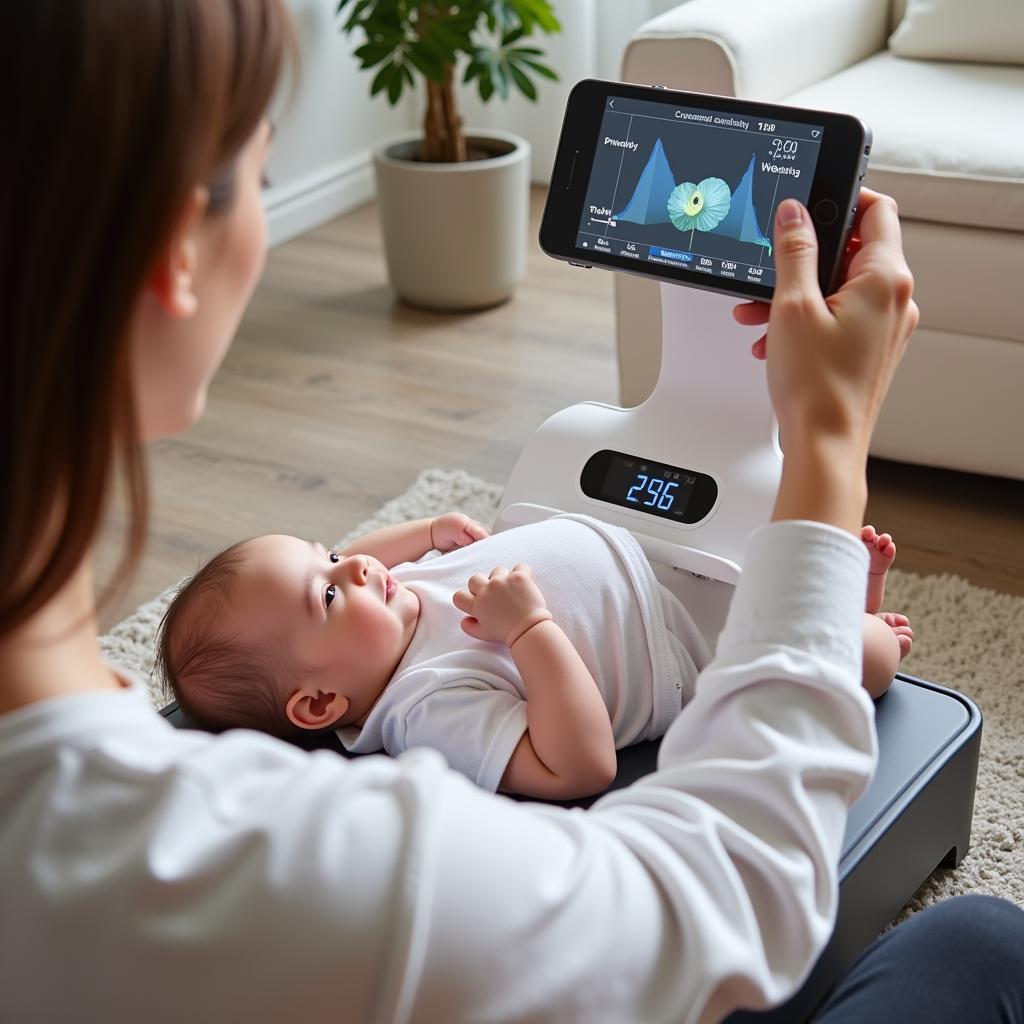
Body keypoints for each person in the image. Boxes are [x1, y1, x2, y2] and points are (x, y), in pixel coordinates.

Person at [1, 2, 1022, 1021]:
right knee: (983, 941)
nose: (350, 574)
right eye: (261, 176)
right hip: (666, 646)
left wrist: (416, 548)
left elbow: (354, 559)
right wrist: (828, 450)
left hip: (617, 569)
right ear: (176, 252)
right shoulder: (339, 836)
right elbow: (733, 901)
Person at [158, 513, 912, 799]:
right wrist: (529, 631)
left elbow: (354, 554)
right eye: (325, 593)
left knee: (767, 561)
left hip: (647, 572)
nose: (352, 568)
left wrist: (423, 533)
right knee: (851, 654)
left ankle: (841, 600)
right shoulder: (429, 705)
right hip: (684, 653)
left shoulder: (379, 608)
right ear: (320, 703)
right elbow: (579, 765)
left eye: (324, 554)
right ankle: (865, 620)